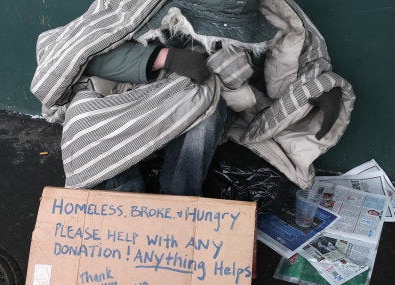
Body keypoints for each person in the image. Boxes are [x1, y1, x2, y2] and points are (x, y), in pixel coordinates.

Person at [83, 0, 342, 196]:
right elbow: (83, 53)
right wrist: (165, 58)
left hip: (208, 98)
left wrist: (314, 89)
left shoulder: (256, 9)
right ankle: (121, 197)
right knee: (85, 108)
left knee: (205, 112)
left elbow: (291, 51)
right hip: (132, 97)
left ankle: (179, 202)